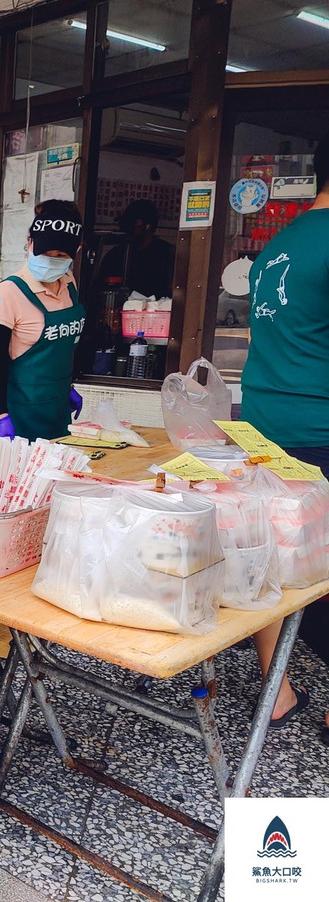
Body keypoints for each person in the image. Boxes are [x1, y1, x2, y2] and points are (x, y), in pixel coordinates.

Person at [240, 128, 329, 745]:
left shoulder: (278, 246)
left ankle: (278, 692)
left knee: (270, 559)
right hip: (321, 430)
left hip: (264, 428)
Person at [0, 199, 86, 442]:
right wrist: (1, 413)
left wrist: (68, 387)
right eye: (44, 252)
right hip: (20, 414)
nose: (51, 260)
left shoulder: (69, 284)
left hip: (58, 410)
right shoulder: (8, 293)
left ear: (76, 252)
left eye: (60, 255)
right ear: (30, 242)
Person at [97, 199, 176, 299]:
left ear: (147, 226)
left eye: (133, 223)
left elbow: (173, 291)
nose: (127, 229)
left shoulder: (166, 253)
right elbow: (99, 290)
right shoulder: (115, 254)